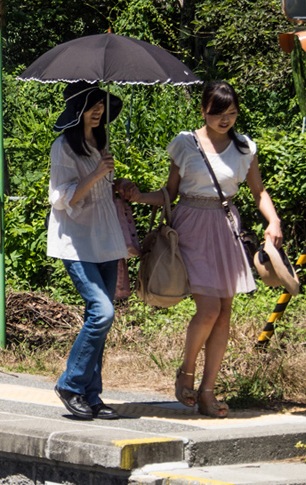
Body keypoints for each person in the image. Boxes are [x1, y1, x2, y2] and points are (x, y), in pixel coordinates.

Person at [121, 81, 283, 418]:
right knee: (209, 309)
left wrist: (274, 220)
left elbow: (259, 192)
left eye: (232, 113)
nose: (225, 120)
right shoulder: (186, 143)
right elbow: (170, 192)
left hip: (225, 228)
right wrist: (137, 197)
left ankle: (208, 392)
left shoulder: (244, 148)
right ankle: (187, 372)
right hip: (190, 228)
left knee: (225, 312)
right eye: (218, 113)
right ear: (203, 111)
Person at [49, 81, 129, 421]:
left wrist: (117, 183)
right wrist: (97, 173)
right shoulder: (64, 147)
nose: (98, 111)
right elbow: (63, 198)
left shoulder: (102, 140)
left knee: (98, 320)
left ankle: (91, 396)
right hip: (77, 241)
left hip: (106, 238)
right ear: (76, 110)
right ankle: (70, 384)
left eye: (101, 105)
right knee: (102, 312)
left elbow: (101, 193)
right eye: (91, 105)